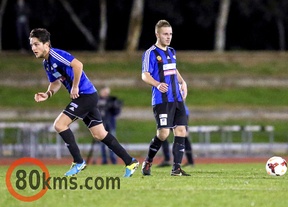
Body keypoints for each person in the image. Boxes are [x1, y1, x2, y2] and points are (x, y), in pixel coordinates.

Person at [29, 28, 139, 177]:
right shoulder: (46, 63)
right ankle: (130, 161)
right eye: (32, 45)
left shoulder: (56, 54)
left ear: (46, 44)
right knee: (100, 134)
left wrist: (74, 86)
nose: (33, 48)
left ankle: (78, 162)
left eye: (36, 44)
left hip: (85, 96)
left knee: (59, 125)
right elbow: (55, 83)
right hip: (85, 97)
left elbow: (78, 65)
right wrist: (47, 94)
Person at [141, 19, 190, 176]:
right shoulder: (151, 53)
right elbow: (144, 75)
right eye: (165, 34)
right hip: (162, 100)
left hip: (177, 98)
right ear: (157, 34)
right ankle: (148, 161)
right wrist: (157, 84)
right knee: (163, 133)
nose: (168, 37)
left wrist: (183, 82)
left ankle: (176, 168)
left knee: (181, 130)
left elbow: (173, 69)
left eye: (170, 34)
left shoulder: (172, 51)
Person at [157, 103, 194, 167]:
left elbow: (182, 97)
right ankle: (167, 159)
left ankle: (190, 161)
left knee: (183, 136)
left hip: (178, 112)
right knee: (163, 135)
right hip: (168, 112)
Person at [97, 86, 123, 164]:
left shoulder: (111, 100)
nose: (106, 94)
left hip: (110, 124)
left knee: (112, 143)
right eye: (104, 92)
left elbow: (116, 113)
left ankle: (113, 160)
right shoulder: (96, 101)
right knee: (102, 144)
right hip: (100, 124)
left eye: (107, 93)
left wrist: (115, 106)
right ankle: (104, 160)